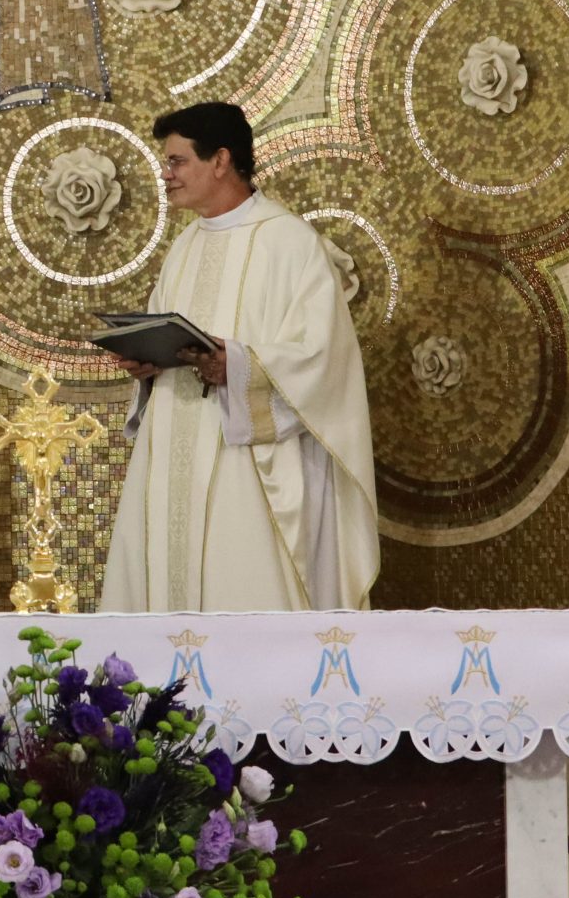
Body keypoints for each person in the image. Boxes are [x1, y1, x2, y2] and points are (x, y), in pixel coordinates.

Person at [99, 102, 381, 613]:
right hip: (172, 449)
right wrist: (148, 364)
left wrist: (238, 364)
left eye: (177, 161)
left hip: (245, 460)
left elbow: (323, 359)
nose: (166, 174)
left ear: (221, 160)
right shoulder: (184, 247)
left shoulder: (290, 243)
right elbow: (165, 331)